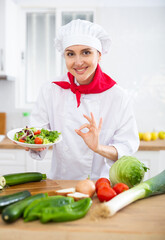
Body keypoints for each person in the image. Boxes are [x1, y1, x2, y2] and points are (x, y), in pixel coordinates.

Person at [28, 19, 139, 180]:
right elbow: (38, 133)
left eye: (86, 52)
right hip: (60, 183)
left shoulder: (118, 97)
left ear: (99, 55)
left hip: (100, 186)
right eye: (70, 54)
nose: (78, 62)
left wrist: (97, 148)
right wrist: (32, 143)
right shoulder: (50, 90)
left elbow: (126, 148)